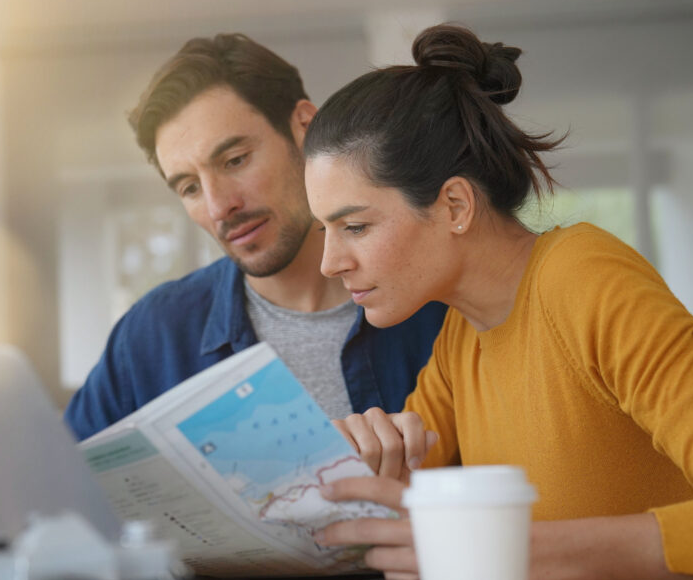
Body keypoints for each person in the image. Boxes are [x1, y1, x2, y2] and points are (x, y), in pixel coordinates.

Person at [303, 23, 693, 580]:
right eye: (324, 231)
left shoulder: (583, 279)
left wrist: (515, 552)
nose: (329, 263)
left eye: (355, 226)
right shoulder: (462, 336)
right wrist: (367, 473)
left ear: (456, 204)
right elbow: (402, 516)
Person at [64, 33, 447, 479]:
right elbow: (66, 494)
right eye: (189, 187)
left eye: (235, 160)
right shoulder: (151, 337)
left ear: (304, 126)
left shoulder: (436, 309)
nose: (217, 206)